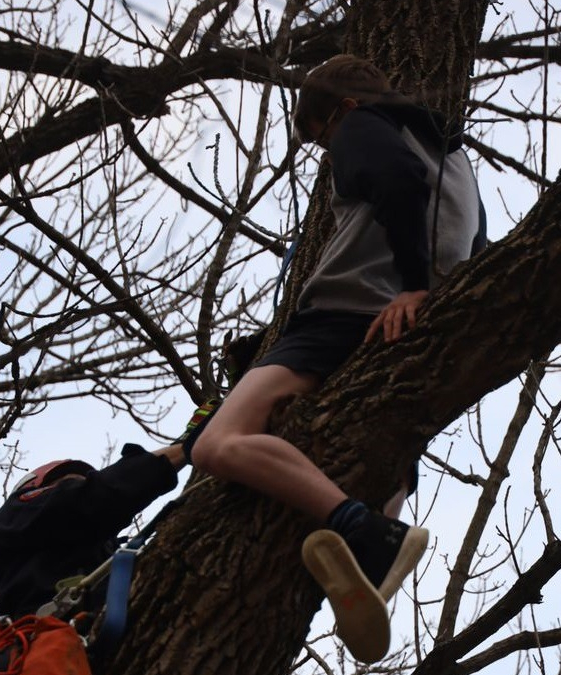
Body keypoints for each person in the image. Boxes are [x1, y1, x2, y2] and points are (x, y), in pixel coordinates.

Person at [185, 54, 486, 662]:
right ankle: (376, 555)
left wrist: (411, 283)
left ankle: (359, 528)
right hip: (405, 328)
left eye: (321, 136)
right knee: (392, 451)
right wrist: (430, 294)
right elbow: (476, 247)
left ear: (340, 111)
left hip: (345, 313)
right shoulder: (456, 157)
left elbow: (397, 181)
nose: (327, 149)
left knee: (215, 444)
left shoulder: (361, 124)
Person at [0, 442, 187, 620]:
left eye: (83, 482)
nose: (77, 484)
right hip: (46, 638)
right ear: (32, 487)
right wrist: (187, 447)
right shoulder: (17, 514)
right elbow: (96, 498)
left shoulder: (96, 546)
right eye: (66, 482)